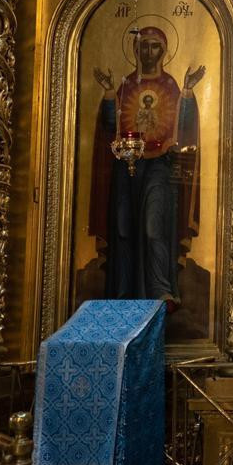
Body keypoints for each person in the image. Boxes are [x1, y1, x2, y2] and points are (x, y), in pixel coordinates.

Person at [89, 25, 205, 309]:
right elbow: (111, 125)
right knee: (123, 228)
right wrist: (108, 93)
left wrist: (188, 91)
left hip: (159, 167)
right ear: (136, 50)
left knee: (154, 227)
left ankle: (160, 290)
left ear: (163, 52)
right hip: (125, 166)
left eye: (154, 47)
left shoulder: (171, 86)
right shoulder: (127, 86)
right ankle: (122, 293)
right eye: (143, 46)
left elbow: (183, 124)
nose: (149, 52)